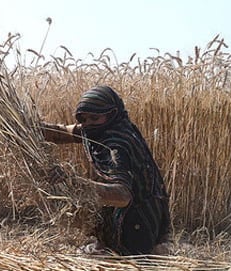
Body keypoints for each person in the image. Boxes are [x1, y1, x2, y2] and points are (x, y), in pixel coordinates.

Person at [41, 85, 170, 255]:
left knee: (105, 254)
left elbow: (123, 196)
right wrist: (28, 129)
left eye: (94, 118)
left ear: (112, 114)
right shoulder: (110, 128)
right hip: (148, 212)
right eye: (83, 119)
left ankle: (125, 250)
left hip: (137, 220)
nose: (87, 125)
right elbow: (64, 132)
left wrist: (73, 182)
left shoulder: (115, 145)